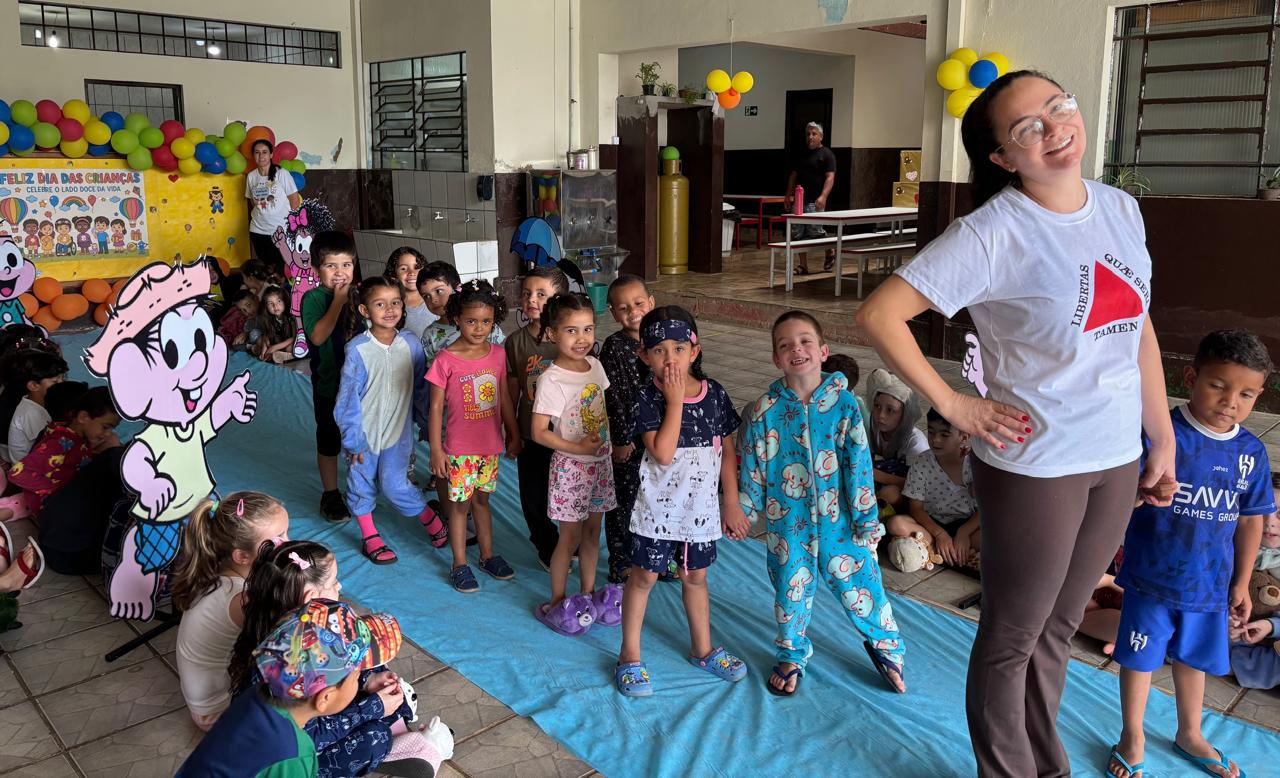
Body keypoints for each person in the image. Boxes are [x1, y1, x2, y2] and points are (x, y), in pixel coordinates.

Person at [855, 70, 1177, 777]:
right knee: (1013, 636)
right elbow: (879, 315)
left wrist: (1162, 434)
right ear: (1003, 156)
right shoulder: (992, 232)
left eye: (1059, 108)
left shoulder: (1120, 208)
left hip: (1115, 456)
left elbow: (1137, 326)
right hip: (1037, 464)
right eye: (1029, 126)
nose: (1055, 128)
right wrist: (955, 404)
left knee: (1059, 627)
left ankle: (1046, 765)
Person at [1108, 330, 1274, 778]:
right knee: (1139, 659)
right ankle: (1132, 735)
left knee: (1194, 660)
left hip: (1209, 584)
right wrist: (1144, 490)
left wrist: (1242, 582)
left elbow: (1250, 520)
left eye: (1245, 394)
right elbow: (1117, 497)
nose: (1230, 402)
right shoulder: (1161, 435)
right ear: (1190, 377)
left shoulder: (1251, 452)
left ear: (1258, 395)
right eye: (1218, 385)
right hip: (1150, 577)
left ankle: (1190, 732)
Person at [738, 311, 905, 697]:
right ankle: (791, 653)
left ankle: (888, 647)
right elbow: (753, 465)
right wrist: (744, 511)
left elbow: (858, 466)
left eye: (805, 341)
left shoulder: (845, 405)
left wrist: (866, 520)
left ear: (823, 351)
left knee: (862, 585)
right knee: (789, 590)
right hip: (787, 525)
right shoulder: (765, 411)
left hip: (841, 524)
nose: (796, 349)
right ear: (776, 359)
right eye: (785, 345)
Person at [226, 541, 452, 778]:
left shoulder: (292, 636)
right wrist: (371, 707)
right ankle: (400, 745)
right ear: (311, 598)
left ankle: (400, 734)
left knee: (376, 677)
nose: (340, 586)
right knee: (376, 737)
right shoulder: (289, 672)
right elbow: (311, 736)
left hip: (305, 722)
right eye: (334, 582)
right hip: (292, 753)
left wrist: (367, 680)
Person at [614, 306, 750, 697]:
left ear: (695, 350)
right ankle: (629, 656)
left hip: (700, 512)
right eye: (659, 350)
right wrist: (674, 402)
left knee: (695, 577)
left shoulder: (716, 394)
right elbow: (662, 453)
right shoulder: (646, 398)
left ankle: (702, 649)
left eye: (678, 348)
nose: (670, 358)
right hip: (658, 511)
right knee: (643, 577)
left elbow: (727, 449)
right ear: (644, 356)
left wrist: (730, 502)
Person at [178, 598, 407, 778]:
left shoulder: (254, 696)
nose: (359, 680)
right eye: (357, 676)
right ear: (325, 698)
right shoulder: (295, 754)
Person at [336, 276, 446, 565]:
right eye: (380, 304)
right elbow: (347, 399)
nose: (389, 310)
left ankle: (430, 518)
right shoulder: (357, 348)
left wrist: (427, 425)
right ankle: (370, 536)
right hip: (363, 435)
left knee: (395, 485)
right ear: (364, 310)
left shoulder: (411, 343)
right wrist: (353, 440)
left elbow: (421, 389)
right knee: (360, 482)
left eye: (395, 302)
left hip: (399, 432)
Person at [530, 293, 620, 635]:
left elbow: (599, 410)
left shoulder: (595, 366)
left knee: (593, 534)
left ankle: (587, 595)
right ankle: (557, 602)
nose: (582, 338)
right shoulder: (551, 379)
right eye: (571, 330)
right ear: (552, 333)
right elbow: (538, 432)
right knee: (569, 538)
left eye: (588, 329)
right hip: (571, 469)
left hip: (600, 465)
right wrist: (576, 447)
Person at [427, 279, 521, 593]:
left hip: (489, 446)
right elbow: (435, 408)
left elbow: (504, 397)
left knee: (482, 500)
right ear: (456, 318)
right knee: (459, 505)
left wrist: (513, 433)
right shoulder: (445, 359)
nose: (479, 328)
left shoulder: (498, 354)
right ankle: (459, 563)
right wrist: (437, 450)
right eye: (471, 321)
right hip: (458, 449)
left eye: (486, 321)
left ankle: (487, 555)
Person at [172, 492, 290, 731]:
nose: (287, 544)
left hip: (204, 702)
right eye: (278, 538)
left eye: (287, 532)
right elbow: (287, 637)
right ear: (242, 556)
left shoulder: (215, 571)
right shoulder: (241, 598)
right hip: (218, 713)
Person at [505, 266, 571, 570]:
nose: (532, 299)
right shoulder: (514, 342)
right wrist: (512, 433)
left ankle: (572, 542)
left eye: (541, 294)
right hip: (531, 433)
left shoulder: (569, 338)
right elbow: (512, 391)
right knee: (533, 497)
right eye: (527, 293)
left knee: (570, 492)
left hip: (567, 436)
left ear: (559, 299)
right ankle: (547, 544)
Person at [301, 231, 361, 523]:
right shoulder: (312, 298)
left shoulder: (361, 296)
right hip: (328, 384)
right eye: (331, 266)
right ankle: (330, 492)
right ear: (316, 269)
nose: (340, 272)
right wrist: (338, 301)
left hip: (360, 387)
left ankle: (360, 485)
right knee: (329, 438)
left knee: (359, 436)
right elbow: (317, 336)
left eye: (346, 265)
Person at [600, 274, 655, 584]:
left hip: (660, 439)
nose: (633, 312)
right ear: (613, 313)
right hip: (630, 443)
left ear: (651, 303)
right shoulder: (614, 347)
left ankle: (654, 556)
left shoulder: (662, 339)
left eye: (638, 303)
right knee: (624, 501)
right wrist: (620, 440)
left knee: (656, 498)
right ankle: (621, 560)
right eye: (623, 308)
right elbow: (614, 399)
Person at [889, 407, 981, 569]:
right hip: (931, 526)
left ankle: (934, 552)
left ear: (964, 437)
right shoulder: (921, 463)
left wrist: (964, 532)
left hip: (968, 526)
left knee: (997, 535)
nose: (935, 440)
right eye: (931, 432)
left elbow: (987, 508)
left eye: (944, 435)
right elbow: (916, 508)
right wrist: (940, 534)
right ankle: (950, 551)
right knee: (896, 524)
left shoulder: (976, 463)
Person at [8, 384, 120, 518]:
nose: (108, 433)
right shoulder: (60, 443)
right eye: (105, 427)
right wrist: (58, 491)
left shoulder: (76, 437)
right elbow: (18, 473)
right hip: (52, 507)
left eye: (111, 428)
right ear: (83, 417)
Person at [864, 368, 929, 512]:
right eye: (877, 406)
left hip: (908, 497)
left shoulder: (916, 442)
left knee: (891, 493)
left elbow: (919, 485)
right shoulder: (872, 432)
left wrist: (874, 473)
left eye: (890, 410)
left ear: (905, 413)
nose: (881, 415)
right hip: (874, 485)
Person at [784, 121, 837, 274]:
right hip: (800, 199)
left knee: (815, 231)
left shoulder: (826, 154)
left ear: (821, 137)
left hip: (816, 201)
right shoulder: (801, 154)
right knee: (797, 232)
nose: (810, 137)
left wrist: (823, 196)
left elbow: (830, 177)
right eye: (808, 134)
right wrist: (788, 195)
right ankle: (803, 265)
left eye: (814, 134)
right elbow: (793, 175)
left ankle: (829, 250)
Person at [245, 138, 302, 277]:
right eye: (257, 152)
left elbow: (294, 200)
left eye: (264, 152)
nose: (261, 156)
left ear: (271, 155)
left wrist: (293, 226)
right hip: (258, 230)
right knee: (266, 269)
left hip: (280, 230)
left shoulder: (281, 173)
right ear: (253, 155)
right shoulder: (251, 176)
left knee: (282, 269)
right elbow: (253, 202)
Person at [3, 349, 67, 464]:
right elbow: (50, 448)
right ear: (33, 386)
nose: (62, 384)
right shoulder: (31, 413)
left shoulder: (36, 404)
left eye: (64, 378)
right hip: (29, 470)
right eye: (55, 382)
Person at [386, 247, 434, 340]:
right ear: (393, 274)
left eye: (416, 267)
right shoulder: (391, 306)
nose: (411, 273)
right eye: (403, 269)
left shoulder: (434, 299)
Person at [252, 286, 297, 363]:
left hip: (292, 341)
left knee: (290, 348)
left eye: (279, 301)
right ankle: (271, 355)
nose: (275, 306)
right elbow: (267, 335)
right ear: (266, 306)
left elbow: (294, 337)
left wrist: (274, 347)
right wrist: (264, 350)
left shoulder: (292, 316)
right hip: (279, 340)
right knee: (260, 340)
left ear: (285, 301)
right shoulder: (269, 318)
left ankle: (286, 356)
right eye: (270, 303)